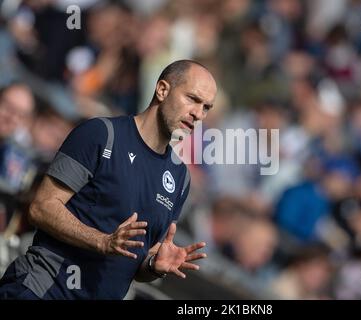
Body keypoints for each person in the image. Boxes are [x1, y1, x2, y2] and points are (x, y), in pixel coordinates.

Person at [0, 60, 217, 299]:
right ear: (162, 90)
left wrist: (155, 265)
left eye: (206, 107)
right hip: (43, 291)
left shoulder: (180, 178)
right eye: (192, 99)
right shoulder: (101, 134)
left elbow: (138, 261)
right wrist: (102, 241)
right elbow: (41, 208)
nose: (198, 113)